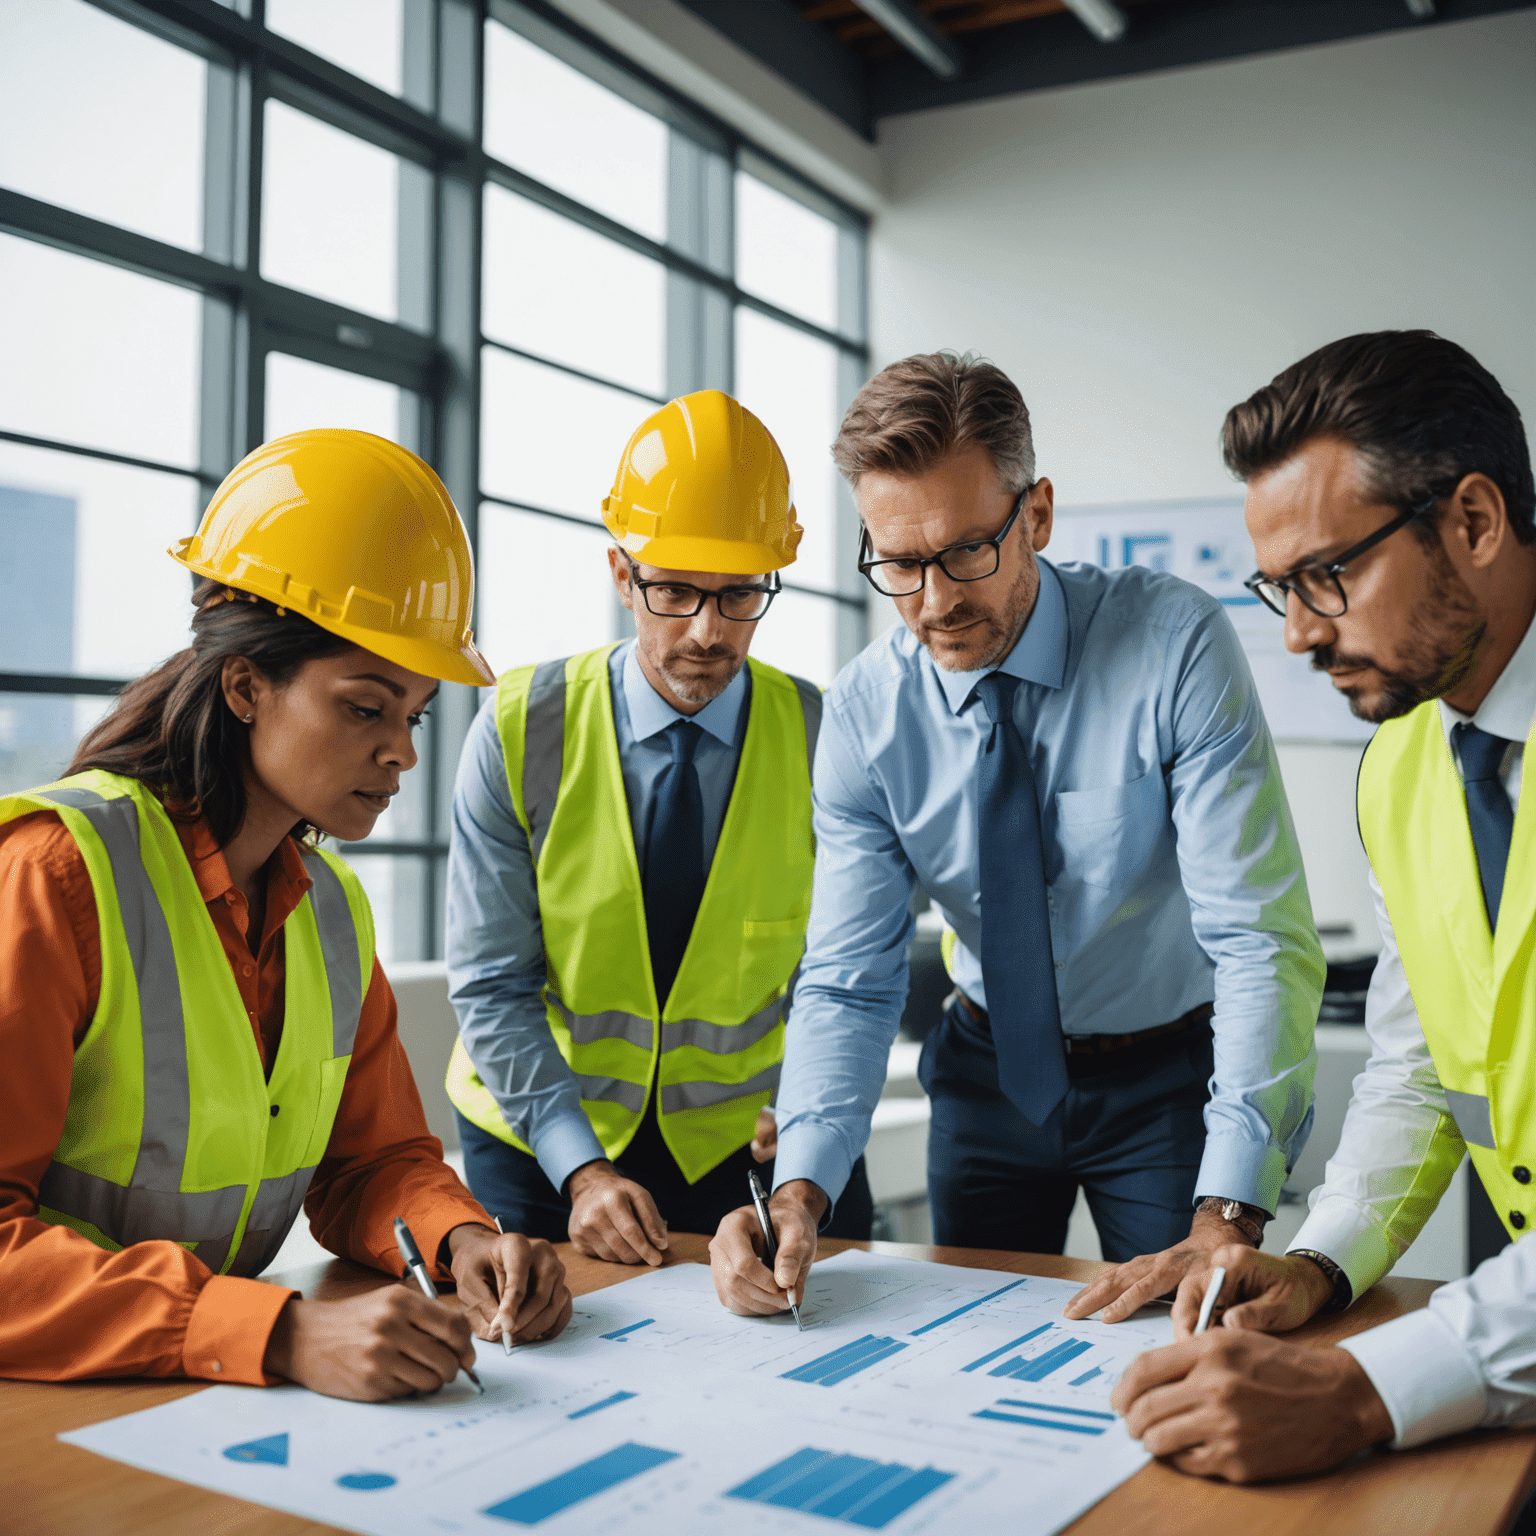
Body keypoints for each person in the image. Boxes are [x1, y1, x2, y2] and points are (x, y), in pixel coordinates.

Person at [709, 351, 1324, 1322]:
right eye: (899, 564)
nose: (935, 599)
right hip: (987, 1076)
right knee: (966, 1351)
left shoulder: (1171, 645)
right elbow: (847, 976)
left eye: (966, 551)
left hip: (1164, 1079)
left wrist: (1230, 1209)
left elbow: (1256, 939)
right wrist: (800, 1190)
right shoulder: (868, 714)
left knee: (1190, 1339)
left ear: (1035, 514)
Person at [0, 429, 571, 1401]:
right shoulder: (55, 879)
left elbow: (371, 1164)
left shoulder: (334, 918)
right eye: (364, 708)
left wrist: (459, 1237)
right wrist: (280, 1333)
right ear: (245, 686)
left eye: (415, 715)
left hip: (201, 1401)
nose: (404, 754)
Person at [1114, 331, 1536, 1483]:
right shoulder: (1406, 760)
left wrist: (1361, 1390)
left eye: (1325, 576)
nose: (1296, 633)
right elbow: (1419, 1063)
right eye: (1279, 588)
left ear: (1475, 521)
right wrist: (1319, 1263)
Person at [444, 390, 873, 1265]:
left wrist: (807, 1102)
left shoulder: (823, 736)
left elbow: (844, 967)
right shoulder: (522, 728)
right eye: (675, 591)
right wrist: (580, 1170)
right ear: (619, 575)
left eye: (740, 596)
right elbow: (493, 986)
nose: (708, 633)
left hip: (740, 1139)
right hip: (538, 1131)